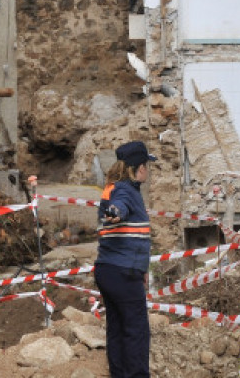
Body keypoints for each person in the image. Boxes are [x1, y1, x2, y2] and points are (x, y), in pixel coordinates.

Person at [94, 141, 156, 378]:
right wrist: (114, 213)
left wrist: (142, 269)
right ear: (138, 168)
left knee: (117, 329)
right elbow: (119, 208)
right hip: (122, 272)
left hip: (109, 270)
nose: (148, 172)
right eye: (146, 166)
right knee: (136, 331)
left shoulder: (114, 187)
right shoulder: (124, 192)